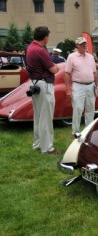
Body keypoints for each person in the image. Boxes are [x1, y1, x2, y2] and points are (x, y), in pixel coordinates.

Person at [26, 26, 60, 154]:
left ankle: (38, 144)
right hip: (44, 85)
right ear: (45, 37)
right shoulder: (40, 50)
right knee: (46, 117)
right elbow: (54, 69)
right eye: (48, 36)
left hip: (35, 84)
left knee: (39, 116)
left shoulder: (30, 47)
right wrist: (57, 68)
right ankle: (47, 147)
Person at [64, 37, 98, 135]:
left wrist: (97, 86)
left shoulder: (90, 57)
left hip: (91, 86)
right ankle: (76, 131)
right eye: (82, 44)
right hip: (78, 86)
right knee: (78, 109)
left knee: (90, 109)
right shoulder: (71, 57)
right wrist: (68, 90)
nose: (84, 45)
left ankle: (88, 131)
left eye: (85, 44)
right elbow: (67, 74)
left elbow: (95, 73)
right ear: (77, 46)